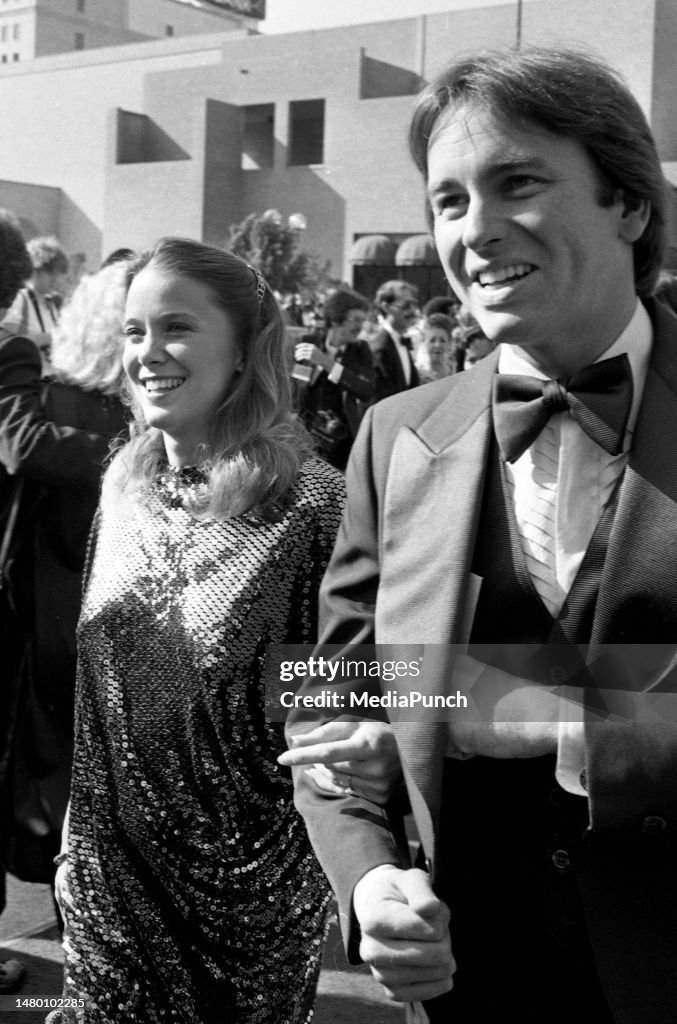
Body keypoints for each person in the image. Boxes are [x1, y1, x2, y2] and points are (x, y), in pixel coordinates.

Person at [286, 46, 677, 1024]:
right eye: (448, 200)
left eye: (517, 183)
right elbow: (327, 691)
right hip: (471, 969)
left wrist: (485, 703)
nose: (475, 230)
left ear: (626, 204)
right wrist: (370, 877)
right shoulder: (394, 435)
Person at [51, 238, 347, 1024]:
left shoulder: (311, 507)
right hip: (108, 886)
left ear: (246, 350)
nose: (148, 353)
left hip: (249, 901)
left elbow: (356, 693)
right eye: (134, 331)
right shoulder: (123, 489)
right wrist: (74, 843)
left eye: (176, 327)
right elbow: (97, 687)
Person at [0, 262, 129, 905]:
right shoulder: (142, 420)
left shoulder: (60, 400)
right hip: (91, 624)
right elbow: (20, 446)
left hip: (56, 619)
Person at [294, 285, 375, 470]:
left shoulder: (361, 351)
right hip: (305, 440)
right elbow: (295, 391)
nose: (360, 326)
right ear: (336, 319)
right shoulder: (308, 343)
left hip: (342, 446)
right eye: (355, 319)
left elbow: (366, 390)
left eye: (363, 320)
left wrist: (326, 362)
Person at [2, 236, 69, 370]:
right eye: (51, 274)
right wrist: (49, 338)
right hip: (23, 381)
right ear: (35, 269)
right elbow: (6, 344)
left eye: (58, 274)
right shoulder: (20, 299)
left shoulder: (50, 304)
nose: (56, 279)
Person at [370, 279, 420, 400]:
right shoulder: (380, 348)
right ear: (386, 307)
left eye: (413, 304)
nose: (412, 311)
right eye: (406, 305)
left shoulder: (401, 340)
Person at [415, 312, 455, 382]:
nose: (437, 345)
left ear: (449, 343)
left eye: (442, 340)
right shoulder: (416, 375)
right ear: (424, 342)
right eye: (432, 340)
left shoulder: (455, 372)